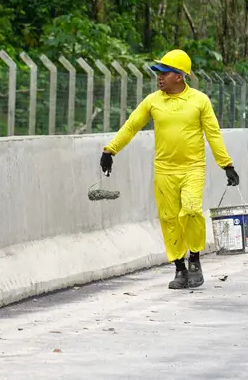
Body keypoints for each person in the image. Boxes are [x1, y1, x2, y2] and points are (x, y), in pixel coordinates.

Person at [99, 49, 239, 290]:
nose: (159, 77)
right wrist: (110, 151)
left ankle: (194, 259)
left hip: (193, 168)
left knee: (192, 210)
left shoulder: (199, 101)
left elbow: (213, 134)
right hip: (164, 170)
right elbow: (131, 126)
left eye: (164, 72)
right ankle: (179, 269)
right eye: (158, 72)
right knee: (169, 219)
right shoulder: (153, 101)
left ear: (179, 76)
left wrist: (226, 165)